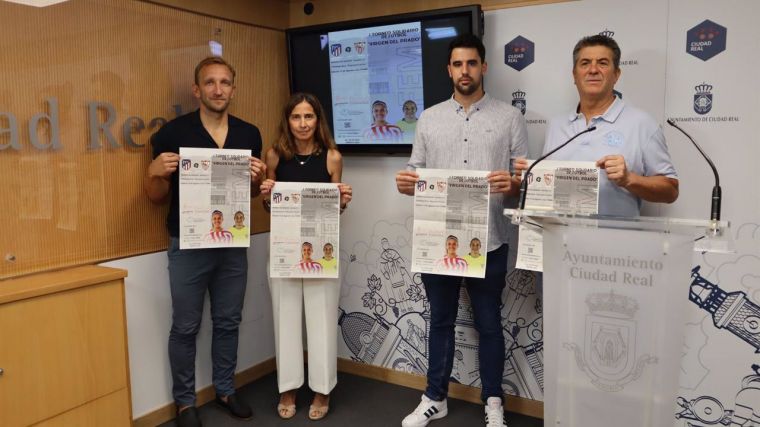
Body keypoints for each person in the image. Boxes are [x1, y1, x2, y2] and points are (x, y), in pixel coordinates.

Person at [395, 34, 527, 427]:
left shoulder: (510, 117)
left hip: (490, 240)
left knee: (489, 324)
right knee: (440, 321)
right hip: (440, 242)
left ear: (483, 67)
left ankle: (493, 402)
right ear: (448, 70)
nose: (464, 71)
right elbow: (415, 171)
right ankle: (435, 396)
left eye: (472, 63)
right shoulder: (430, 118)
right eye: (457, 64)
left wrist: (515, 185)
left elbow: (527, 180)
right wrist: (406, 182)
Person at [144, 56, 265, 427]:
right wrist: (154, 173)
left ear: (233, 88)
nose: (218, 89)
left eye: (225, 82)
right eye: (210, 82)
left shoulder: (249, 134)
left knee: (229, 321)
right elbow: (154, 196)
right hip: (189, 242)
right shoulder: (171, 134)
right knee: (185, 326)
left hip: (231, 242)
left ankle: (226, 388)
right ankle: (185, 403)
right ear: (197, 90)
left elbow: (254, 192)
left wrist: (257, 180)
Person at [260, 92, 352, 421]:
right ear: (287, 121)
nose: (302, 124)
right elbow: (268, 206)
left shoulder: (332, 158)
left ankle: (322, 390)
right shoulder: (273, 155)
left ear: (318, 120)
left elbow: (335, 210)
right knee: (284, 318)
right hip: (284, 247)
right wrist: (266, 195)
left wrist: (343, 199)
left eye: (309, 117)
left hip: (322, 250)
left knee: (321, 318)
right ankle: (287, 387)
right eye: (296, 117)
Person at [532, 34, 678, 216]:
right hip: (560, 240)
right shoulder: (556, 124)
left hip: (614, 242)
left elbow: (671, 190)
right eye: (585, 63)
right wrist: (528, 180)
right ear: (574, 75)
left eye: (602, 63)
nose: (593, 70)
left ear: (616, 74)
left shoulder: (642, 123)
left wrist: (629, 179)